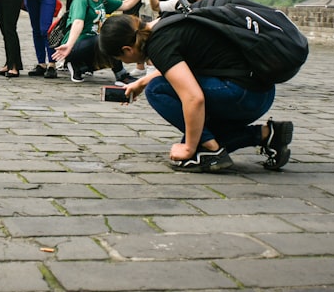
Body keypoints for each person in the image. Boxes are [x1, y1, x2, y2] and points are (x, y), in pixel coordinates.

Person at [98, 12, 294, 173]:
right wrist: (141, 81)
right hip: (261, 94)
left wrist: (189, 148)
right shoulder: (168, 22)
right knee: (197, 131)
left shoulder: (159, 45)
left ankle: (211, 150)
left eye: (120, 58)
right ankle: (267, 134)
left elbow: (194, 98)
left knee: (157, 90)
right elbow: (179, 66)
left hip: (241, 95)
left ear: (127, 49)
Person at [52, 0, 153, 84]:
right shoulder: (81, 0)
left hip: (93, 46)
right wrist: (69, 45)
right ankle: (121, 76)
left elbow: (125, 4)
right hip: (75, 46)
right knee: (109, 37)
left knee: (108, 39)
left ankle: (79, 67)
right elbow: (78, 22)